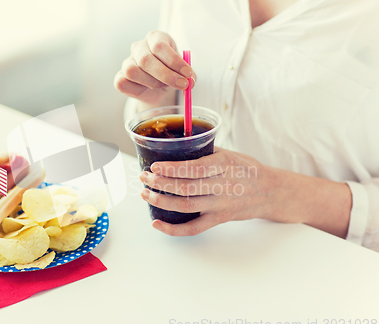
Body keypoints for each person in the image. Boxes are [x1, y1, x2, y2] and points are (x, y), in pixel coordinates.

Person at [114, 0, 379, 251]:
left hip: (328, 265)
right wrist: (153, 96)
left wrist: (270, 192)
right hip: (196, 252)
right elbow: (173, 105)